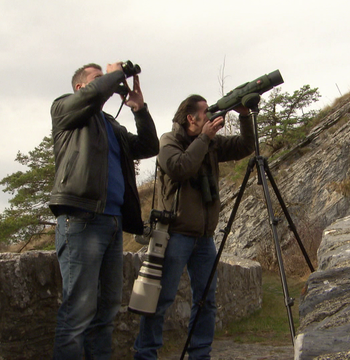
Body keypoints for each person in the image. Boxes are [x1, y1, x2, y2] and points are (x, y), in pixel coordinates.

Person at [50, 62, 159, 359]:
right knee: (77, 311)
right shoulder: (65, 109)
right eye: (99, 79)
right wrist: (114, 74)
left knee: (107, 308)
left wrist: (139, 109)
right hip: (81, 219)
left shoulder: (112, 125)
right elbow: (92, 98)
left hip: (112, 221)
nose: (110, 83)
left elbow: (149, 147)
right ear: (80, 87)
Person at [133, 95, 255, 359]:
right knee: (161, 299)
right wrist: (205, 139)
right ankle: (145, 354)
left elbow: (246, 145)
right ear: (191, 118)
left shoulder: (210, 144)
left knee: (206, 300)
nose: (210, 116)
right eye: (205, 112)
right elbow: (180, 168)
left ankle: (200, 354)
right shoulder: (169, 141)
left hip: (204, 238)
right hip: (175, 235)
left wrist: (244, 116)